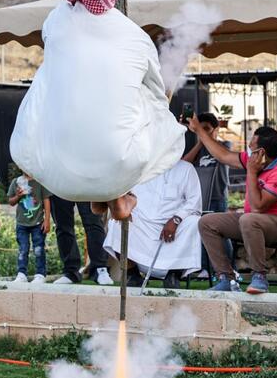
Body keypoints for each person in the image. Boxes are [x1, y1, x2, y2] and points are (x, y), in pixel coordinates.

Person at [9, 0, 185, 221]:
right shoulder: (135, 37)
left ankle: (108, 198)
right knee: (143, 103)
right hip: (118, 163)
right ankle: (117, 196)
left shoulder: (55, 23)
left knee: (62, 92)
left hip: (58, 169)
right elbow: (155, 90)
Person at [189, 119, 277, 294]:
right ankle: (226, 278)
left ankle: (259, 277)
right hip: (252, 221)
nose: (247, 149)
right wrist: (199, 130)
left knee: (249, 219)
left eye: (251, 147)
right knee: (207, 222)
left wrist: (252, 172)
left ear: (261, 152)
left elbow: (257, 208)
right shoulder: (254, 160)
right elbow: (223, 156)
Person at [104, 160, 202, 289]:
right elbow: (126, 195)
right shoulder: (139, 165)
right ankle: (132, 274)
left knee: (193, 222)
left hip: (174, 227)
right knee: (116, 223)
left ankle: (173, 276)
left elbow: (195, 202)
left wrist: (176, 219)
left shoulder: (186, 168)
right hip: (142, 223)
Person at [181, 111, 235, 275]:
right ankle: (205, 268)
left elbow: (222, 155)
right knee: (202, 232)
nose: (203, 132)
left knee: (222, 234)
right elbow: (184, 165)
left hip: (218, 197)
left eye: (207, 129)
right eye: (200, 129)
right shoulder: (198, 149)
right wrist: (200, 141)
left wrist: (207, 138)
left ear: (216, 129)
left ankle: (229, 267)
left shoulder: (224, 146)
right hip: (201, 198)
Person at [50, 198, 114, 286]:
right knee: (62, 225)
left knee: (93, 221)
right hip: (58, 186)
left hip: (86, 185)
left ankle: (100, 269)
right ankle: (70, 272)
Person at [8, 172, 51, 283]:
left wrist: (47, 220)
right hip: (22, 223)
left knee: (39, 249)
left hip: (38, 223)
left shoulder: (40, 181)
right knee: (23, 248)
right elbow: (11, 202)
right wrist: (18, 196)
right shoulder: (16, 182)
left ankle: (40, 274)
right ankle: (21, 273)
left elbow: (46, 200)